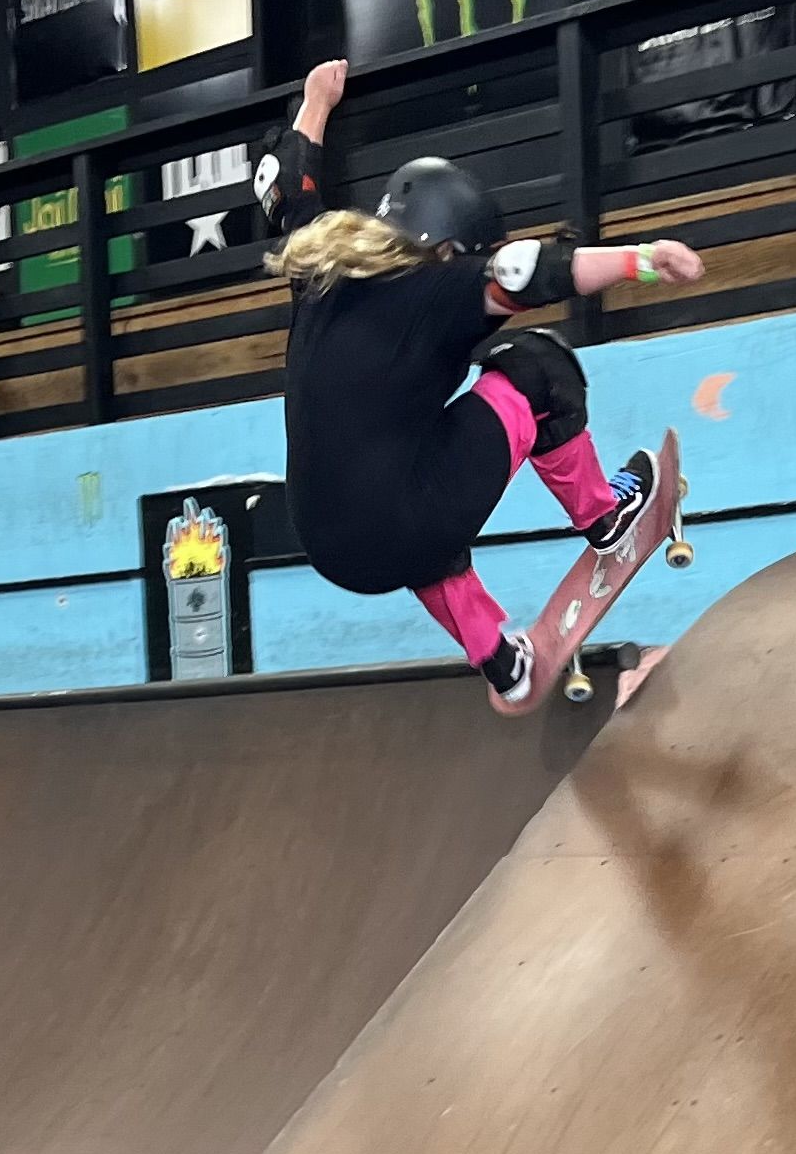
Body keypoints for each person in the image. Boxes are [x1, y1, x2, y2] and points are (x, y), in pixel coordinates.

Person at [257, 58, 705, 706]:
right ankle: (606, 516)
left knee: (402, 471)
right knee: (537, 364)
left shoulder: (322, 265)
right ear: (450, 247)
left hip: (327, 544)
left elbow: (284, 185)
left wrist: (315, 99)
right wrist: (640, 260)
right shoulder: (440, 283)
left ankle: (502, 660)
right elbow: (534, 271)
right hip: (407, 525)